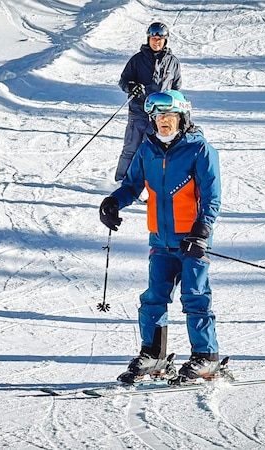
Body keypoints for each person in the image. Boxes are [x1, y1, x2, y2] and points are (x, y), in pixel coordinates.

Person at [99, 90, 222, 384]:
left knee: (195, 296)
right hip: (160, 239)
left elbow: (211, 197)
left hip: (192, 239)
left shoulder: (200, 149)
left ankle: (206, 358)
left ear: (181, 117)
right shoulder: (147, 149)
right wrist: (113, 202)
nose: (162, 122)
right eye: (157, 117)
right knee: (154, 298)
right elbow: (131, 186)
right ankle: (154, 355)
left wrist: (201, 230)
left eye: (168, 116)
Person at [115, 22, 182, 182]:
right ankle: (121, 182)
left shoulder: (172, 62)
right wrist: (131, 87)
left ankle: (147, 185)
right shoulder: (137, 60)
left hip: (160, 115)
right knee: (131, 148)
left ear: (165, 41)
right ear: (148, 39)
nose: (156, 41)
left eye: (159, 39)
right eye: (153, 38)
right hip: (138, 111)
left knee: (154, 151)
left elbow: (176, 87)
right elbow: (123, 80)